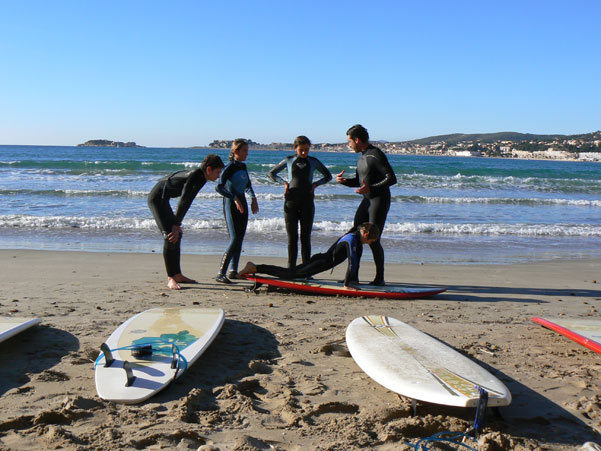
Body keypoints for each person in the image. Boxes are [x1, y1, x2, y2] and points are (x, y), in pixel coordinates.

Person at [148, 154, 224, 290]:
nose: (218, 176)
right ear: (209, 169)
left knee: (177, 235)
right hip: (156, 199)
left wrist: (177, 224)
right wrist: (176, 225)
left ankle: (177, 274)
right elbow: (184, 200)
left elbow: (187, 201)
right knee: (170, 236)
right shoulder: (196, 176)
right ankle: (170, 278)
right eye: (217, 172)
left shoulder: (200, 178)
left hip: (163, 199)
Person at [336, 124, 397, 286]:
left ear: (357, 139)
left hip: (379, 201)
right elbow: (359, 181)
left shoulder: (376, 155)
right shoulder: (361, 157)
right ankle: (353, 275)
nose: (349, 145)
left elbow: (391, 178)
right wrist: (344, 182)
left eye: (349, 141)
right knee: (356, 236)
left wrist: (371, 188)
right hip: (367, 200)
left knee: (374, 239)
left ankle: (379, 278)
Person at [238, 222, 380, 288]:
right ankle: (255, 268)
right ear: (366, 234)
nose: (370, 243)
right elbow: (352, 263)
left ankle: (256, 267)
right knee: (289, 274)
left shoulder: (356, 237)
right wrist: (347, 284)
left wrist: (353, 279)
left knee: (291, 273)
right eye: (371, 241)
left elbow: (355, 261)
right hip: (318, 263)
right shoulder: (353, 240)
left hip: (319, 261)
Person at [269, 135, 332, 268]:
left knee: (305, 237)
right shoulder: (289, 160)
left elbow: (328, 176)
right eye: (301, 150)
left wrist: (315, 184)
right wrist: (284, 183)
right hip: (291, 202)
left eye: (306, 150)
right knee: (292, 238)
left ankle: (306, 269)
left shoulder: (313, 161)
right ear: (295, 148)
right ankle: (290, 268)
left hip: (307, 202)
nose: (304, 153)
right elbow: (272, 173)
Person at [215, 139, 259, 283]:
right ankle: (221, 273)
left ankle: (233, 271)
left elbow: (248, 185)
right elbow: (219, 187)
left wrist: (253, 199)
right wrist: (233, 197)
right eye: (244, 151)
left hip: (243, 203)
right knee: (234, 239)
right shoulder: (229, 167)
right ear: (236, 152)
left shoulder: (243, 167)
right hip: (231, 203)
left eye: (247, 151)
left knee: (240, 238)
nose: (247, 153)